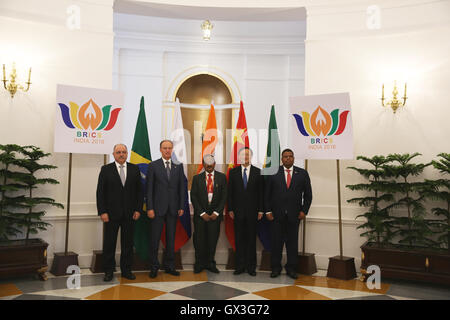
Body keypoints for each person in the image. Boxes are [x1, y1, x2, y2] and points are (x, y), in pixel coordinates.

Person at [96, 144, 142, 282]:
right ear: (113, 154)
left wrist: (138, 209)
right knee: (109, 244)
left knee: (127, 244)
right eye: (118, 152)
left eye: (123, 152)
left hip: (130, 214)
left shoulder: (134, 169)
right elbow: (100, 193)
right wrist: (102, 211)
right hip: (110, 215)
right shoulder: (106, 169)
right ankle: (109, 271)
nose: (121, 154)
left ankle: (126, 270)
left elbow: (139, 192)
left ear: (127, 153)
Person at [264, 148, 312, 279]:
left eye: (290, 156)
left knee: (292, 244)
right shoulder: (273, 172)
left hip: (294, 215)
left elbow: (308, 195)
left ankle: (291, 268)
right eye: (285, 156)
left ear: (294, 158)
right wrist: (268, 211)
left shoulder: (302, 173)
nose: (288, 158)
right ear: (281, 159)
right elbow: (266, 195)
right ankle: (275, 268)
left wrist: (304, 211)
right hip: (276, 216)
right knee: (276, 243)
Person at [146, 140, 185, 278]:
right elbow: (149, 189)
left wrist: (181, 206)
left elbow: (182, 188)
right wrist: (149, 208)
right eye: (165, 148)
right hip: (156, 210)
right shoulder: (153, 165)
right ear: (160, 149)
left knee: (170, 239)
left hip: (173, 209)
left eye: (169, 148)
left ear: (172, 149)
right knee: (154, 240)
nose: (167, 150)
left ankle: (169, 266)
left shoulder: (178, 166)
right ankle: (154, 267)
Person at [227, 147, 264, 276]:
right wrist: (230, 208)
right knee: (239, 239)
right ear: (239, 157)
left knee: (251, 240)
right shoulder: (233, 172)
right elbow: (230, 193)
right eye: (243, 155)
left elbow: (261, 193)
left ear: (251, 157)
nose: (245, 157)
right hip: (237, 212)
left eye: (248, 155)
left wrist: (260, 210)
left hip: (253, 212)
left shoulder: (258, 172)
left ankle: (251, 267)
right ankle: (240, 266)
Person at [190, 154, 227, 274]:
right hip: (201, 217)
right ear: (204, 164)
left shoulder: (222, 178)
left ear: (214, 164)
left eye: (211, 163)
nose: (209, 165)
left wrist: (217, 212)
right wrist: (202, 213)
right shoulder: (196, 178)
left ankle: (211, 263)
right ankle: (199, 264)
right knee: (199, 241)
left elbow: (224, 197)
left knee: (212, 240)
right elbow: (193, 197)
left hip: (215, 216)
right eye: (207, 163)